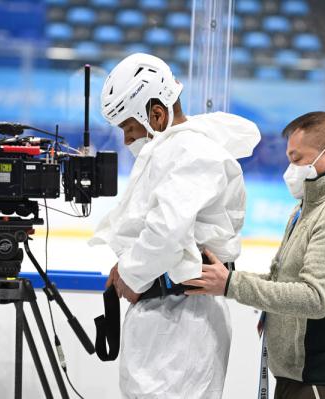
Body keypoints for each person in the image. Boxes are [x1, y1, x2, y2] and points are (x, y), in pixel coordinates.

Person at [89, 53, 261, 398]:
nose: (126, 139)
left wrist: (130, 272)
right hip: (167, 316)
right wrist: (129, 268)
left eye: (128, 126)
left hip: (184, 321)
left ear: (156, 113)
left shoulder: (194, 153)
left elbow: (165, 232)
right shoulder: (175, 149)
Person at [185, 112, 325, 399]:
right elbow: (284, 279)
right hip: (300, 379)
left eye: (297, 159)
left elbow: (315, 298)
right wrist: (227, 279)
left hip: (322, 382)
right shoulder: (309, 206)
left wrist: (231, 284)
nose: (290, 169)